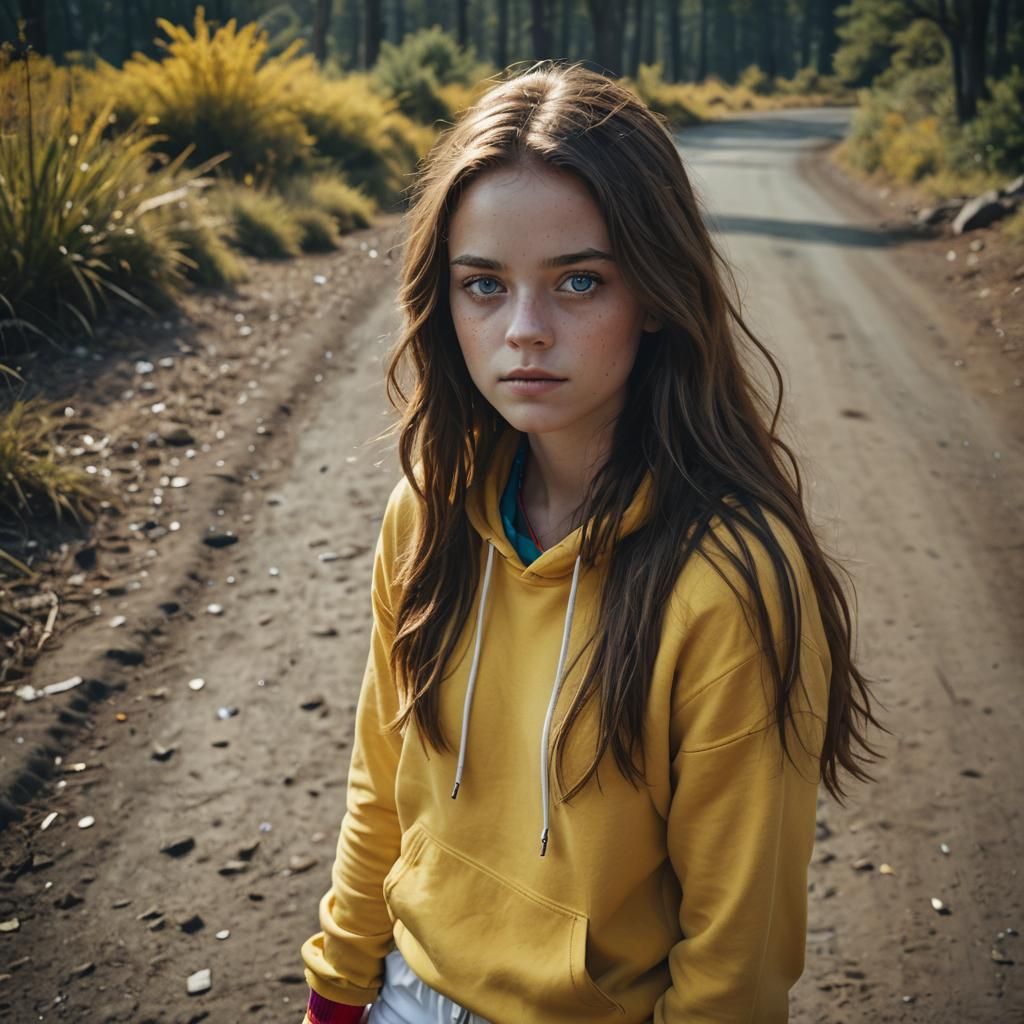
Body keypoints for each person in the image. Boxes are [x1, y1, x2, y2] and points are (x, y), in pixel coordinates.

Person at [299, 60, 882, 1024]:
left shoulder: (732, 584)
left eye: (578, 281)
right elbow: (382, 784)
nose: (525, 331)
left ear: (653, 292)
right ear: (443, 302)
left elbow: (736, 955)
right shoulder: (427, 513)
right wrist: (337, 985)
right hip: (404, 992)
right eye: (482, 284)